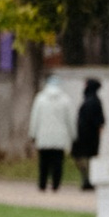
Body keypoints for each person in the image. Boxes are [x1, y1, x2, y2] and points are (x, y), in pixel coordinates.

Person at [27, 67, 77, 195]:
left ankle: (42, 184)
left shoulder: (40, 99)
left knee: (43, 162)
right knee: (57, 162)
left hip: (43, 136)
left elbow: (35, 118)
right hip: (59, 137)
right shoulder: (65, 100)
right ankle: (55, 184)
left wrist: (33, 134)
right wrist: (73, 134)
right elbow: (70, 119)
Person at [71, 75, 106, 192]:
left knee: (81, 156)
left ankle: (87, 179)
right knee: (89, 157)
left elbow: (98, 121)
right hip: (91, 136)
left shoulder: (91, 101)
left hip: (84, 134)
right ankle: (87, 179)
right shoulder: (95, 101)